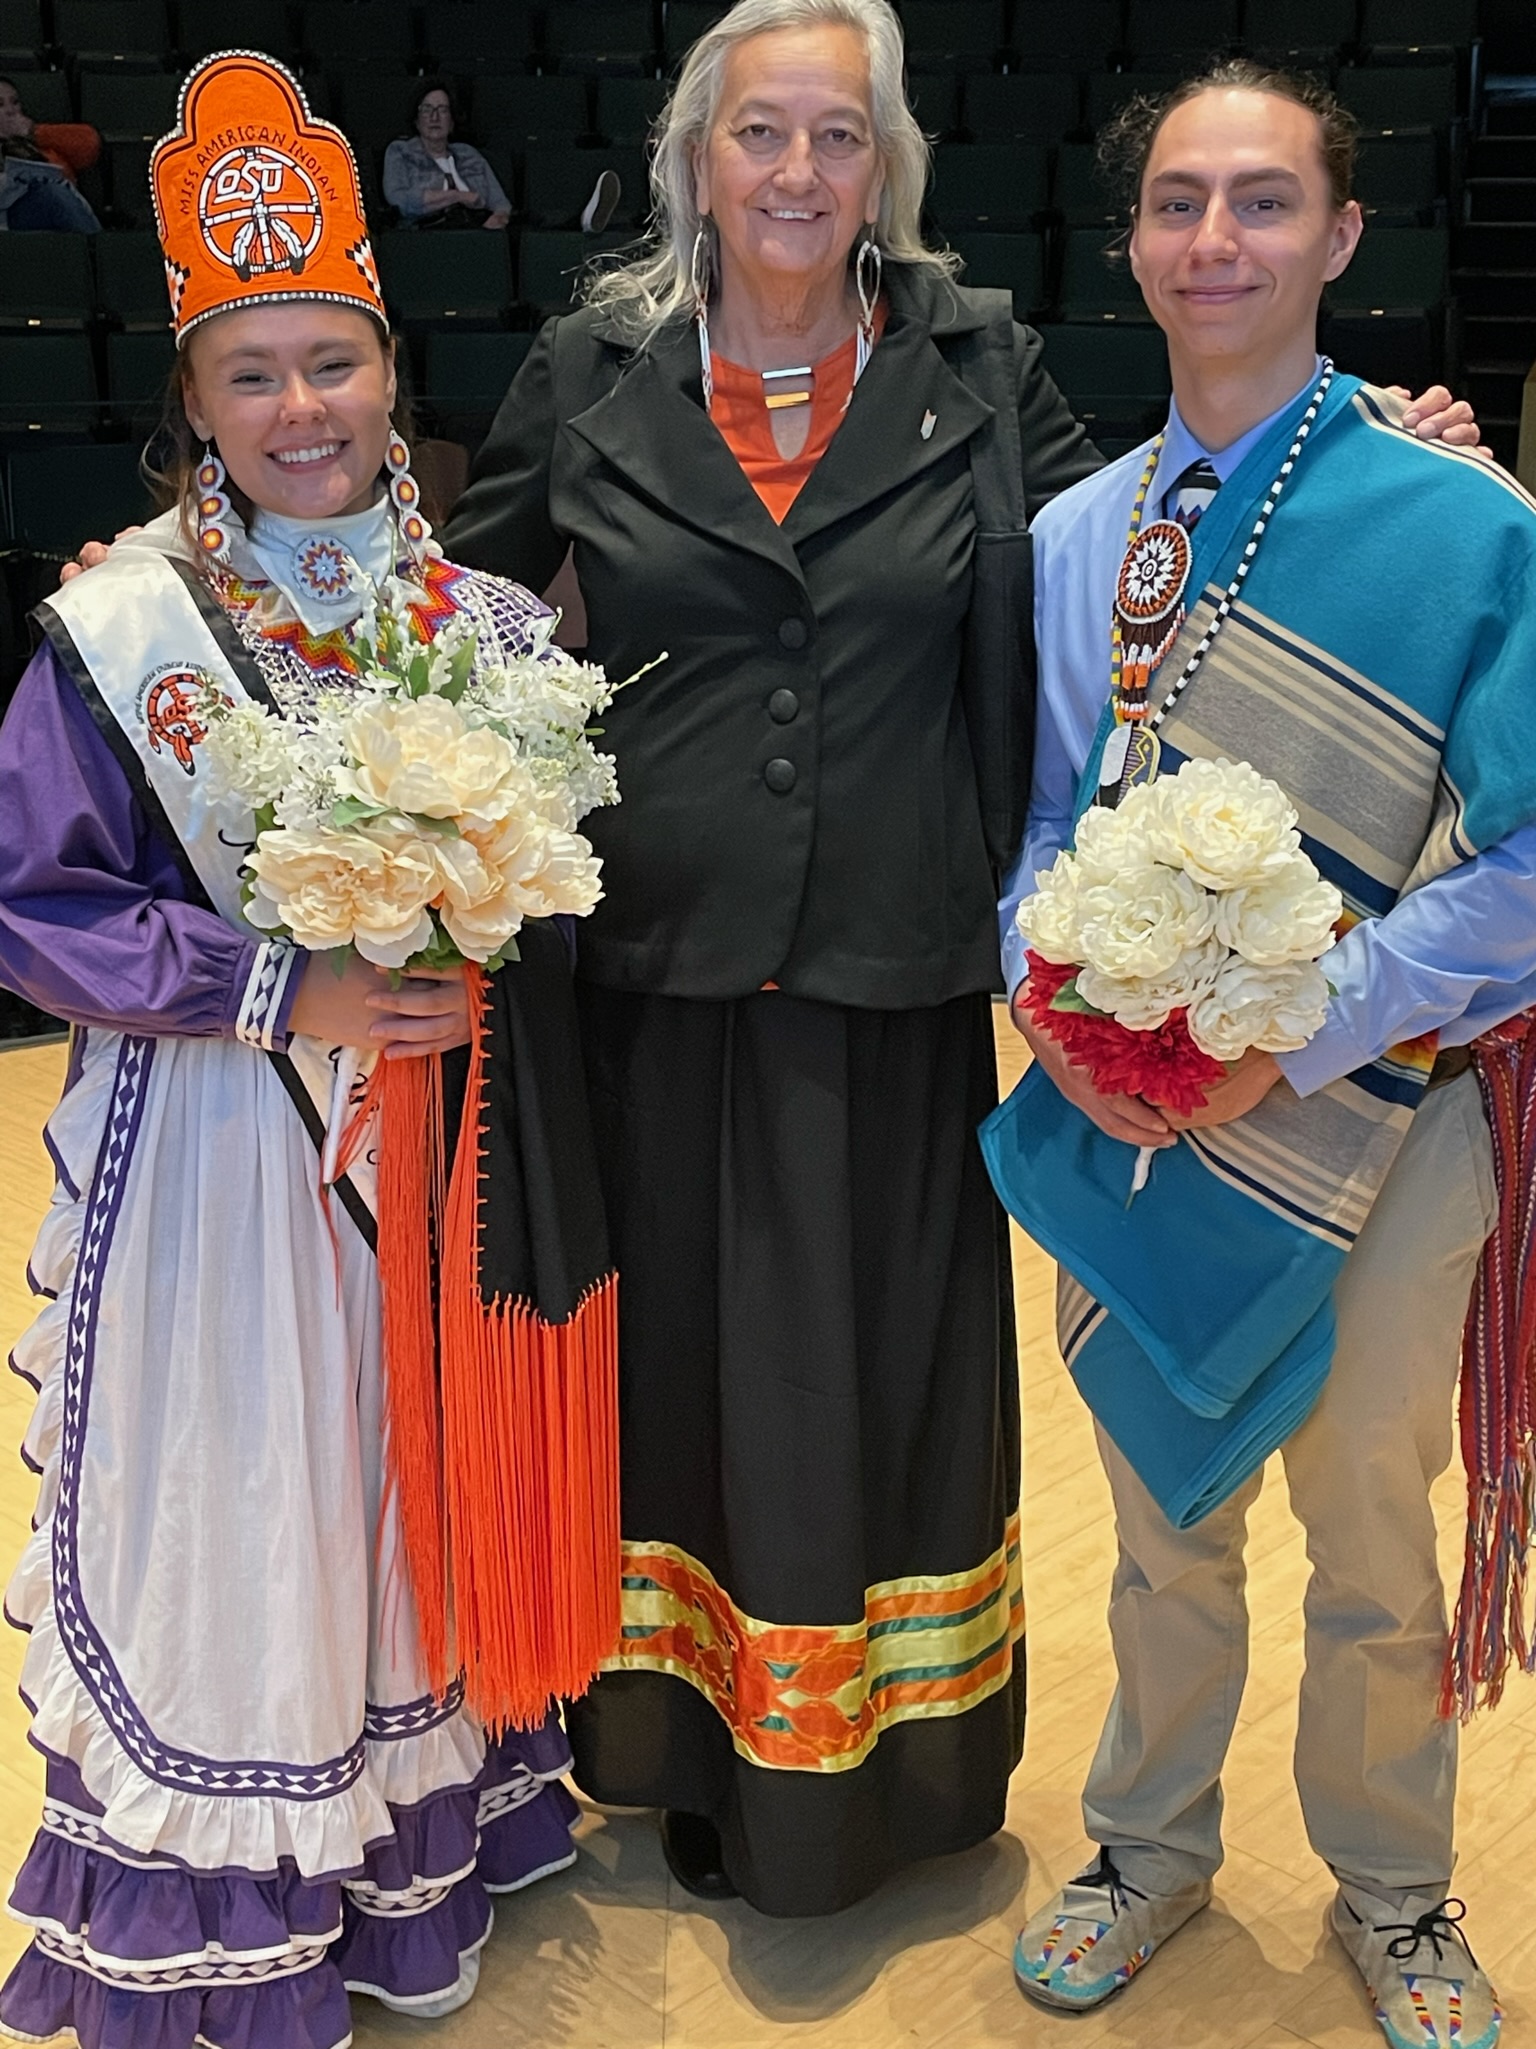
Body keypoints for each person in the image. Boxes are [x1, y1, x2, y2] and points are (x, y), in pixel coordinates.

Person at [59, 0, 1476, 1926]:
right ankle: (670, 1759)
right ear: (694, 162)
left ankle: (896, 1778)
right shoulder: (593, 360)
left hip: (898, 976)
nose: (797, 173)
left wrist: (1370, 446)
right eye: (759, 136)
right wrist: (174, 559)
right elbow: (431, 607)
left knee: (881, 1397)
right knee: (690, 1397)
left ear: (881, 161)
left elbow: (1147, 544)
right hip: (653, 977)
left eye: (835, 136)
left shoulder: (979, 360)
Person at [0, 51, 608, 2045]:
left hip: (443, 1143)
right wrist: (285, 986)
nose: (301, 411)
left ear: (388, 374)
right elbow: (44, 902)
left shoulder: (495, 626)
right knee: (258, 1479)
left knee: (401, 1473)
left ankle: (424, 1818)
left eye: (330, 363)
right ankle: (240, 1874)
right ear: (192, 401)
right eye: (251, 375)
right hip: (215, 1142)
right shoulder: (126, 628)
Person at [994, 61, 1536, 2049]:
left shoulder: (1465, 517)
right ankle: (1145, 1846)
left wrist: (1303, 1026)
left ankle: (1396, 1893)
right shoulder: (1077, 535)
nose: (1214, 241)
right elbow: (1041, 833)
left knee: (1378, 1548)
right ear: (1131, 239)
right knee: (1163, 1530)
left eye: (1262, 202)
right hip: (1141, 1119)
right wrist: (1071, 1005)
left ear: (1340, 236)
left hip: (1389, 1123)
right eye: (1176, 203)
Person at [382, 80, 510, 230]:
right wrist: (457, 196)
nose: (434, 117)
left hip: (476, 236)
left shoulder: (469, 154)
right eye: (426, 109)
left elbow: (501, 203)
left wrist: (498, 219)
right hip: (423, 237)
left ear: (452, 121)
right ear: (416, 120)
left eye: (442, 110)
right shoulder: (401, 152)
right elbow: (399, 201)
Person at [0, 74, 100, 231]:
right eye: (0, 105)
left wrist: (33, 132)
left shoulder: (39, 143)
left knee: (54, 193)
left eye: (15, 102)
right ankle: (94, 249)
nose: (11, 111)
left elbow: (89, 144)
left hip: (55, 212)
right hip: (9, 219)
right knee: (51, 194)